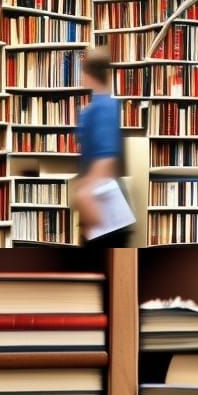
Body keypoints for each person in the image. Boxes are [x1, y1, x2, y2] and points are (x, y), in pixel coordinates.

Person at [74, 47, 134, 249]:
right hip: (103, 203)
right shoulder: (103, 105)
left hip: (104, 207)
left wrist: (85, 194)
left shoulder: (103, 107)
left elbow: (106, 156)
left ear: (87, 74)